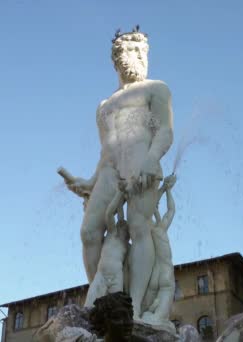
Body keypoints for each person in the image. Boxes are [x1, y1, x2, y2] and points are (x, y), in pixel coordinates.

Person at [62, 26, 173, 317]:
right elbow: (106, 150)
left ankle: (133, 308)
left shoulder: (155, 89)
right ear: (116, 60)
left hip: (143, 166)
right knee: (89, 232)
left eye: (139, 52)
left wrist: (152, 158)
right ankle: (103, 301)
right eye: (126, 52)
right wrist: (88, 181)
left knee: (139, 227)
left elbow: (165, 131)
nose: (134, 57)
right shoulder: (104, 106)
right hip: (110, 171)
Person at [84, 182, 129, 308]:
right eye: (123, 225)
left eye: (125, 227)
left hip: (117, 276)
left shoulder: (125, 244)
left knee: (117, 307)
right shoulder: (112, 234)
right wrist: (120, 194)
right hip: (102, 274)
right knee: (90, 304)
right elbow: (110, 213)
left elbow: (121, 217)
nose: (123, 225)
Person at [141, 174, 176, 326]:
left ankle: (145, 314)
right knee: (160, 318)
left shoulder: (146, 231)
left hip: (152, 275)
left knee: (144, 312)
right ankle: (157, 317)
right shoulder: (160, 229)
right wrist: (168, 190)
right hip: (165, 271)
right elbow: (171, 210)